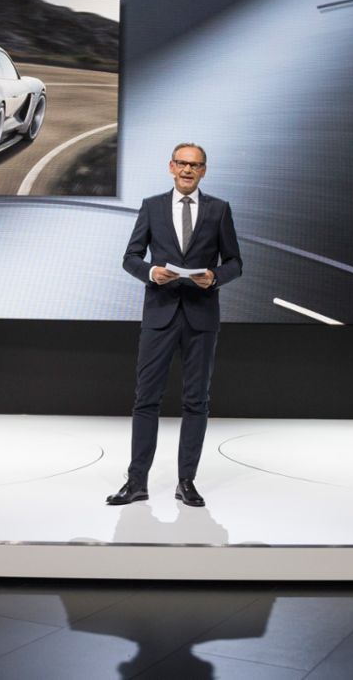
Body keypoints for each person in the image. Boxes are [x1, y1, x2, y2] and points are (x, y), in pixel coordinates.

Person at [108, 142, 242, 507]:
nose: (187, 170)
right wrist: (151, 271)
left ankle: (187, 482)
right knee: (145, 400)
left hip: (201, 318)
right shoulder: (152, 207)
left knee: (196, 402)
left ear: (204, 170)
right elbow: (130, 257)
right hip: (160, 314)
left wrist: (215, 276)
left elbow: (235, 262)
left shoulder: (219, 210)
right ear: (171, 167)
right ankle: (137, 482)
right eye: (182, 164)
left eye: (195, 165)